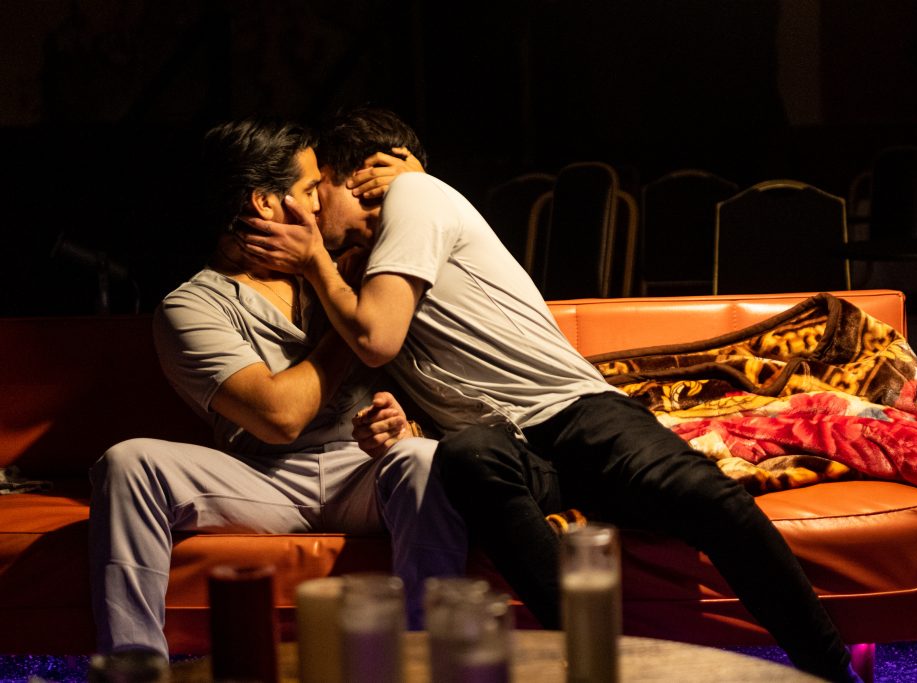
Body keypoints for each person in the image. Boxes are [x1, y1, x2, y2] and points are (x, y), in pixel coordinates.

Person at [240, 107, 861, 682]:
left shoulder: (415, 193)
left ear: (364, 179)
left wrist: (323, 253)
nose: (310, 213)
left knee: (709, 499)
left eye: (318, 191)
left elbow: (376, 338)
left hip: (572, 414)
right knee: (466, 457)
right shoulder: (353, 271)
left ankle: (832, 671)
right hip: (503, 446)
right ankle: (598, 669)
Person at [88, 118, 465, 658]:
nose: (321, 204)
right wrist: (348, 324)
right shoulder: (191, 306)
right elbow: (279, 415)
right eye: (311, 190)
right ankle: (134, 666)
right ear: (266, 204)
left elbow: (432, 236)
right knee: (129, 463)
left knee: (424, 461)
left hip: (362, 470)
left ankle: (423, 659)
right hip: (261, 480)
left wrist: (417, 181)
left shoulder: (346, 266)